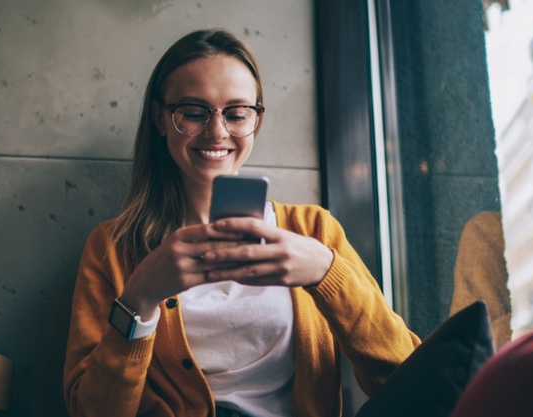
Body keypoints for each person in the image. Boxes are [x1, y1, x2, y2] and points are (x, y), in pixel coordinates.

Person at [63, 28, 420, 417]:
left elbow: (407, 378)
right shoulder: (112, 248)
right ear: (160, 119)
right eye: (194, 112)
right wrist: (139, 300)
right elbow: (89, 411)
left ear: (257, 121)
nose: (217, 131)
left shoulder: (314, 231)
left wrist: (325, 272)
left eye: (236, 113)